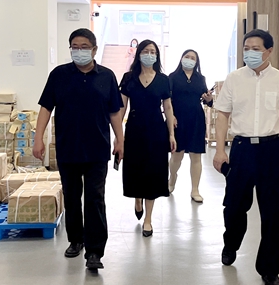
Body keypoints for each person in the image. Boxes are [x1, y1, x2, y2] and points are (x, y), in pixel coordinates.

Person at [213, 29, 279, 285]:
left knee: (272, 212)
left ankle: (270, 269)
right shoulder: (234, 79)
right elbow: (222, 115)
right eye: (246, 48)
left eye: (255, 48)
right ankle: (231, 244)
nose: (249, 53)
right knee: (234, 206)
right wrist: (220, 150)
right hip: (241, 149)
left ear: (269, 51)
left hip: (270, 149)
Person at [33, 28, 124, 271]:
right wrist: (38, 138)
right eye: (75, 46)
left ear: (94, 50)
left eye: (84, 47)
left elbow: (114, 112)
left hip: (97, 148)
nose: (79, 51)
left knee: (95, 199)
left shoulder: (107, 76)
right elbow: (46, 108)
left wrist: (120, 140)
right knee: (72, 197)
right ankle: (76, 240)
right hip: (68, 146)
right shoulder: (59, 75)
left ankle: (95, 251)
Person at [119, 39, 176, 237]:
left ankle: (148, 219)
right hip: (134, 129)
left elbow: (168, 107)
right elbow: (122, 107)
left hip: (156, 130)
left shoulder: (163, 79)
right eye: (145, 51)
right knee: (135, 168)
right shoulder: (128, 78)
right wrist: (118, 135)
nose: (149, 55)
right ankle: (137, 199)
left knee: (153, 171)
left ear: (157, 56)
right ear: (139, 54)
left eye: (153, 52)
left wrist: (171, 134)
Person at [168, 49, 213, 202]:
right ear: (181, 58)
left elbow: (206, 99)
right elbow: (167, 100)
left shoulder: (200, 78)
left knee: (196, 155)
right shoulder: (173, 77)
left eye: (193, 58)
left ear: (197, 62)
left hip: (196, 119)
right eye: (187, 57)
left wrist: (208, 98)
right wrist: (171, 116)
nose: (189, 59)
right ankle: (172, 178)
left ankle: (195, 190)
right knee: (177, 155)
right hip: (178, 120)